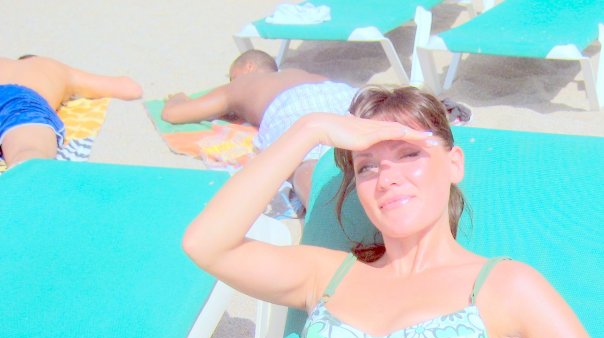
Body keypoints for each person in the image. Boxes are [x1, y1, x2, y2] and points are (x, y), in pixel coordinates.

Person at [182, 85, 604, 338]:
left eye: (409, 155)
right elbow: (206, 244)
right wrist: (309, 129)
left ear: (454, 163)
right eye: (367, 166)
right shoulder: (327, 275)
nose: (387, 177)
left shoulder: (504, 287)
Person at [161, 49, 357, 208]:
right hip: (344, 94)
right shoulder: (302, 74)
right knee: (364, 147)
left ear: (249, 67)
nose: (232, 82)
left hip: (294, 105)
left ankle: (334, 219)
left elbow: (173, 114)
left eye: (232, 77)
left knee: (303, 162)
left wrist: (178, 98)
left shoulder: (243, 83)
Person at [0, 55, 143, 168]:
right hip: (20, 101)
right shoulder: (51, 67)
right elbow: (131, 90)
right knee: (29, 158)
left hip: (16, 96)